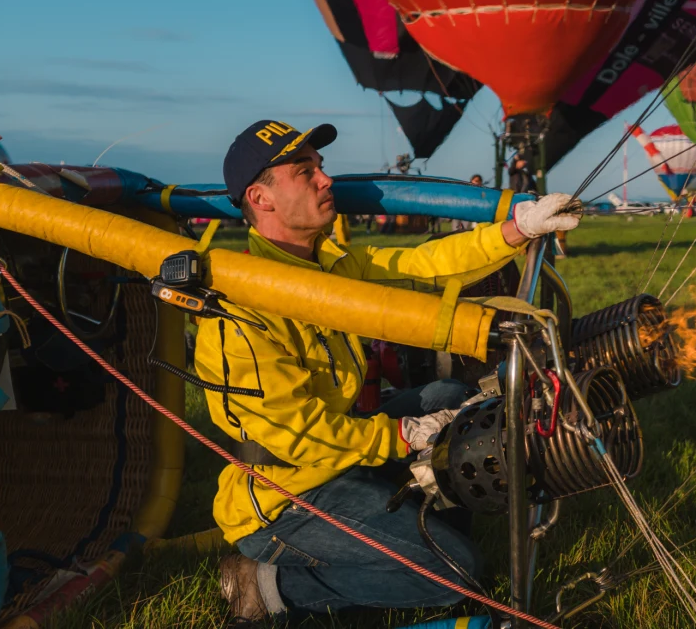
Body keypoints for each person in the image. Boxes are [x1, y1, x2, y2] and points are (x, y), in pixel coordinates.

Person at [198, 119, 582, 621]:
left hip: (343, 455)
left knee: (447, 395)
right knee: (456, 574)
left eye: (320, 166)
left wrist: (518, 229)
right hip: (287, 493)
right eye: (304, 171)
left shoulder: (332, 266)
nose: (325, 179)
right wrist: (402, 437)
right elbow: (298, 436)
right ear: (261, 198)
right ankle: (268, 585)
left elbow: (426, 263)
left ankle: (428, 517)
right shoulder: (238, 309)